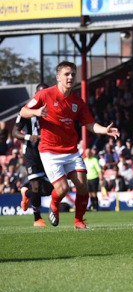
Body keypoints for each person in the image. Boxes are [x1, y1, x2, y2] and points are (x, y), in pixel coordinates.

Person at [19, 61, 119, 229]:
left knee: (82, 185)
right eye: (66, 74)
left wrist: (104, 130)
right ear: (58, 77)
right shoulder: (44, 95)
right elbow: (23, 111)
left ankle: (78, 221)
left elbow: (89, 124)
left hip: (71, 151)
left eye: (73, 74)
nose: (70, 77)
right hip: (50, 151)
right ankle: (54, 203)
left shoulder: (78, 102)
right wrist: (36, 112)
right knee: (63, 188)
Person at [13, 83, 53, 226]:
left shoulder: (53, 109)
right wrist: (29, 137)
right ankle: (37, 219)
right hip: (32, 151)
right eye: (40, 94)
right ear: (35, 96)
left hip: (48, 150)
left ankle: (26, 193)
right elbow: (15, 132)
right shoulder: (26, 110)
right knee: (36, 185)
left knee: (49, 189)